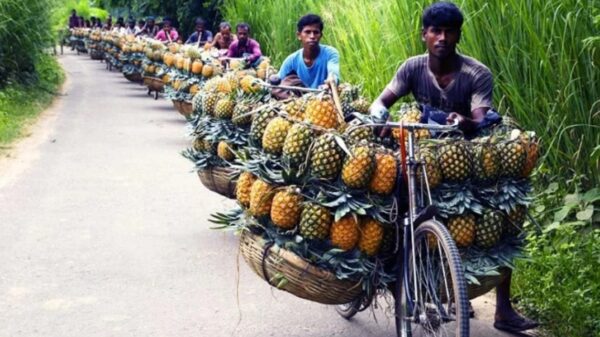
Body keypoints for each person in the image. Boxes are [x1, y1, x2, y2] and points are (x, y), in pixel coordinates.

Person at [369, 2, 539, 333]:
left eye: (449, 31)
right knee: (393, 208)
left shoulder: (476, 73)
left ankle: (503, 308)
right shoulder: (412, 68)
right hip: (424, 153)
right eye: (435, 31)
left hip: (468, 155)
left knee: (501, 213)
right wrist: (379, 117)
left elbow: (480, 117)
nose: (442, 38)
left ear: (458, 35)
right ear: (424, 35)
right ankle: (402, 285)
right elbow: (382, 100)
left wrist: (465, 121)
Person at [271, 14, 340, 92]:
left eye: (316, 32)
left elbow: (333, 73)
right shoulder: (292, 60)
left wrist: (330, 82)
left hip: (324, 96)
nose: (312, 36)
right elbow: (278, 79)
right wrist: (273, 79)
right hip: (300, 99)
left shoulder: (330, 53)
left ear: (321, 35)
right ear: (299, 35)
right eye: (307, 32)